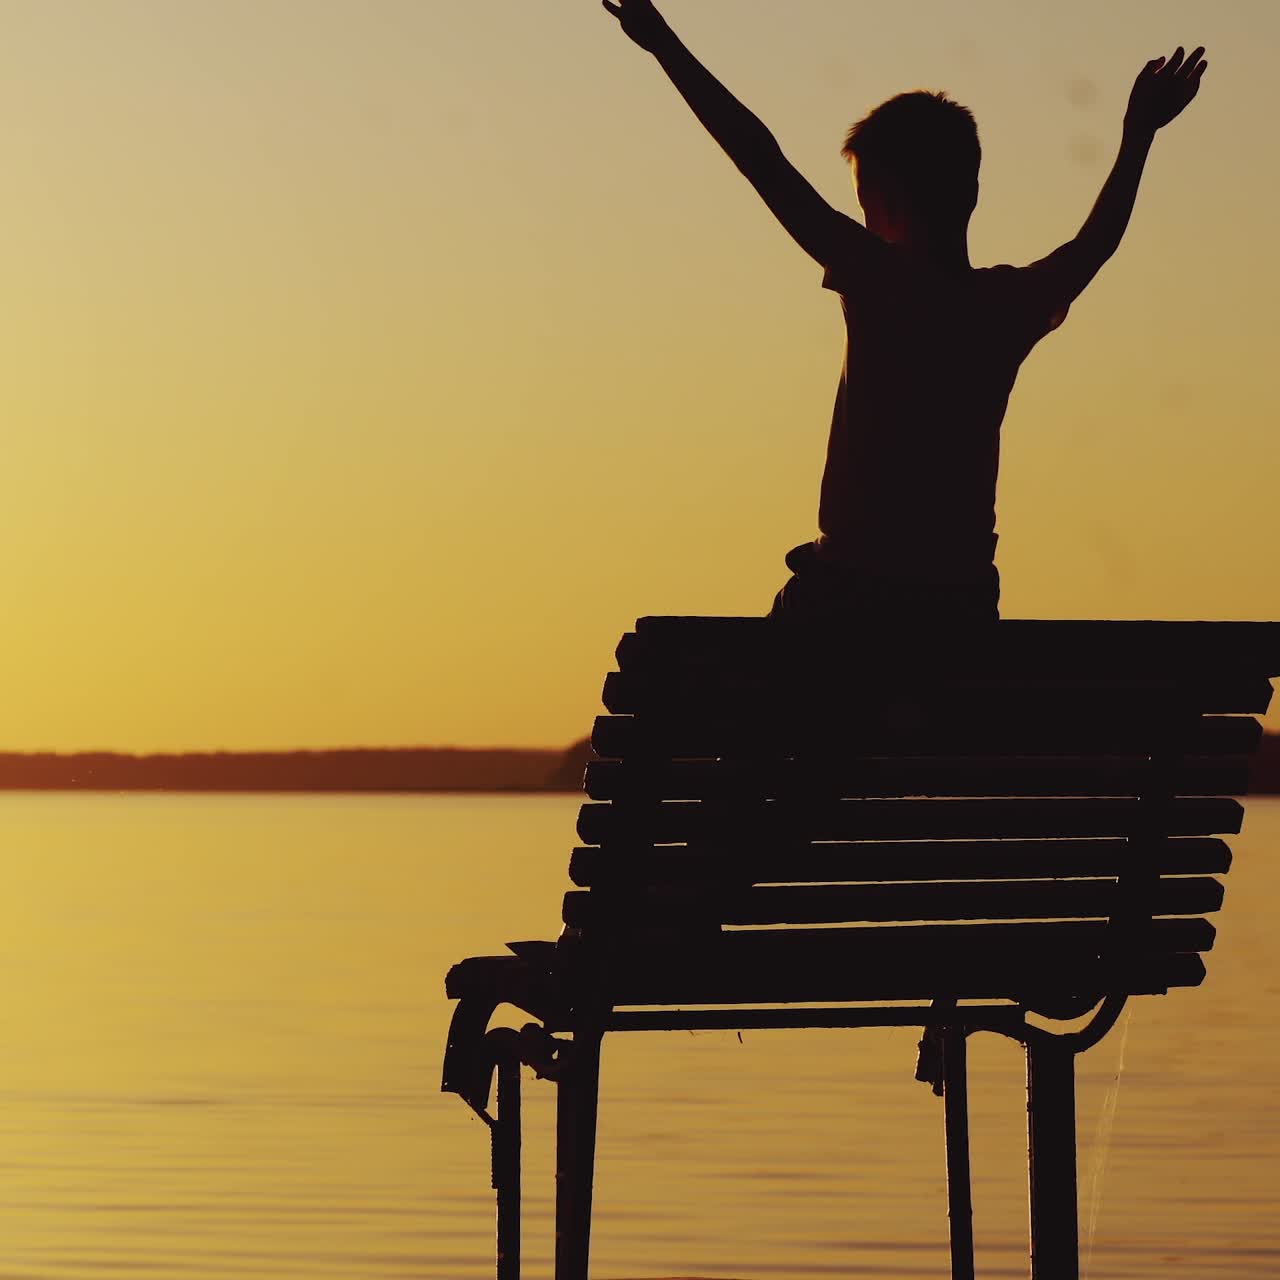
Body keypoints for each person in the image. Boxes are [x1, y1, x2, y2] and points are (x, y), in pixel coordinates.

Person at [602, 1, 1207, 625]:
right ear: (971, 191)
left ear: (882, 202)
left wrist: (665, 46)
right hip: (959, 603)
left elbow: (762, 160)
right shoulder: (1007, 308)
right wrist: (1139, 136)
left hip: (849, 599)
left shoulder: (879, 280)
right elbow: (1094, 244)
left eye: (864, 201)